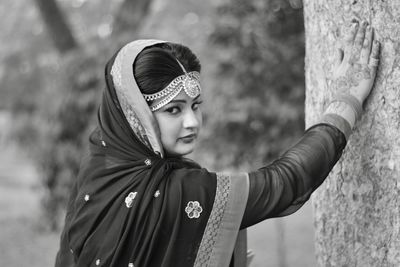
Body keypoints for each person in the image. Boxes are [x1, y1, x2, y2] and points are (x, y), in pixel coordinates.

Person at [55, 20, 380, 267]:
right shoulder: (177, 193)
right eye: (173, 110)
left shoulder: (99, 165)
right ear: (133, 115)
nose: (192, 122)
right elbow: (284, 182)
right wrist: (346, 101)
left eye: (196, 106)